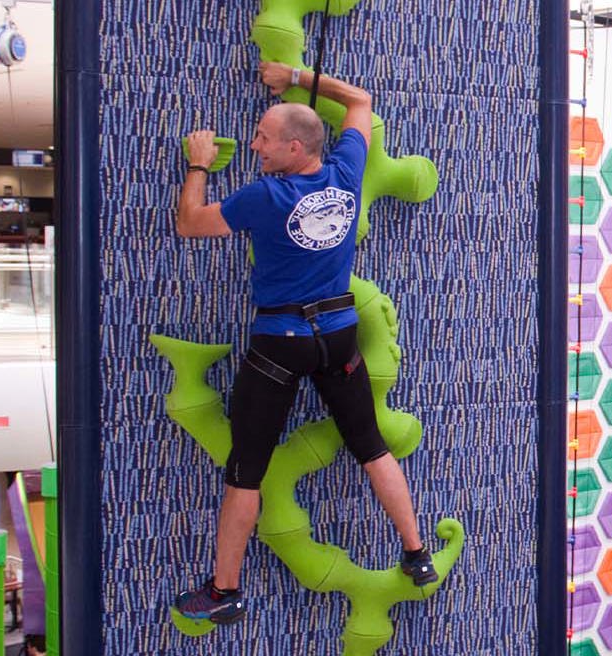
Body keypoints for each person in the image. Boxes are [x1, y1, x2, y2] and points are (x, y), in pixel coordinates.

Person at [169, 61, 435, 626]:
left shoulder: (265, 197)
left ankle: (225, 592)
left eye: (265, 139)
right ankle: (416, 554)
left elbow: (190, 223)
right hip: (336, 337)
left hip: (280, 343)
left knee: (246, 471)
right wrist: (295, 75)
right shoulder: (346, 168)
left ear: (294, 147)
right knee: (371, 446)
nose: (256, 147)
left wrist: (197, 163)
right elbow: (360, 101)